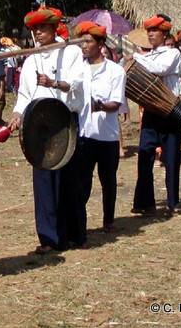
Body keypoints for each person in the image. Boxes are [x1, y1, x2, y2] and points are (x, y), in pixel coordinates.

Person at [7, 7, 84, 253]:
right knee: (44, 181)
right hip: (38, 123)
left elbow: (77, 83)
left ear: (53, 28)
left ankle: (75, 233)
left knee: (70, 178)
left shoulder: (71, 52)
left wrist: (54, 83)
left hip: (63, 120)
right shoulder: (31, 59)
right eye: (35, 29)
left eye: (43, 28)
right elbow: (25, 94)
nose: (38, 32)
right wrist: (17, 114)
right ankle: (50, 238)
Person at [72, 21, 126, 234]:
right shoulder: (78, 70)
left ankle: (109, 220)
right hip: (84, 134)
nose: (84, 46)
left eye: (88, 41)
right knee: (83, 182)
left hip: (107, 136)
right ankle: (78, 224)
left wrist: (101, 105)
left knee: (108, 180)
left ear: (101, 43)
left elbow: (116, 104)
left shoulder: (115, 71)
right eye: (82, 42)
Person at [131, 14, 181, 217]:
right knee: (145, 153)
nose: (151, 34)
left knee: (171, 158)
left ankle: (173, 202)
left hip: (170, 111)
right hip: (151, 110)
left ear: (164, 34)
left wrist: (136, 57)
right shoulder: (147, 55)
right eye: (149, 31)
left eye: (155, 31)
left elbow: (159, 69)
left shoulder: (172, 54)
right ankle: (144, 201)